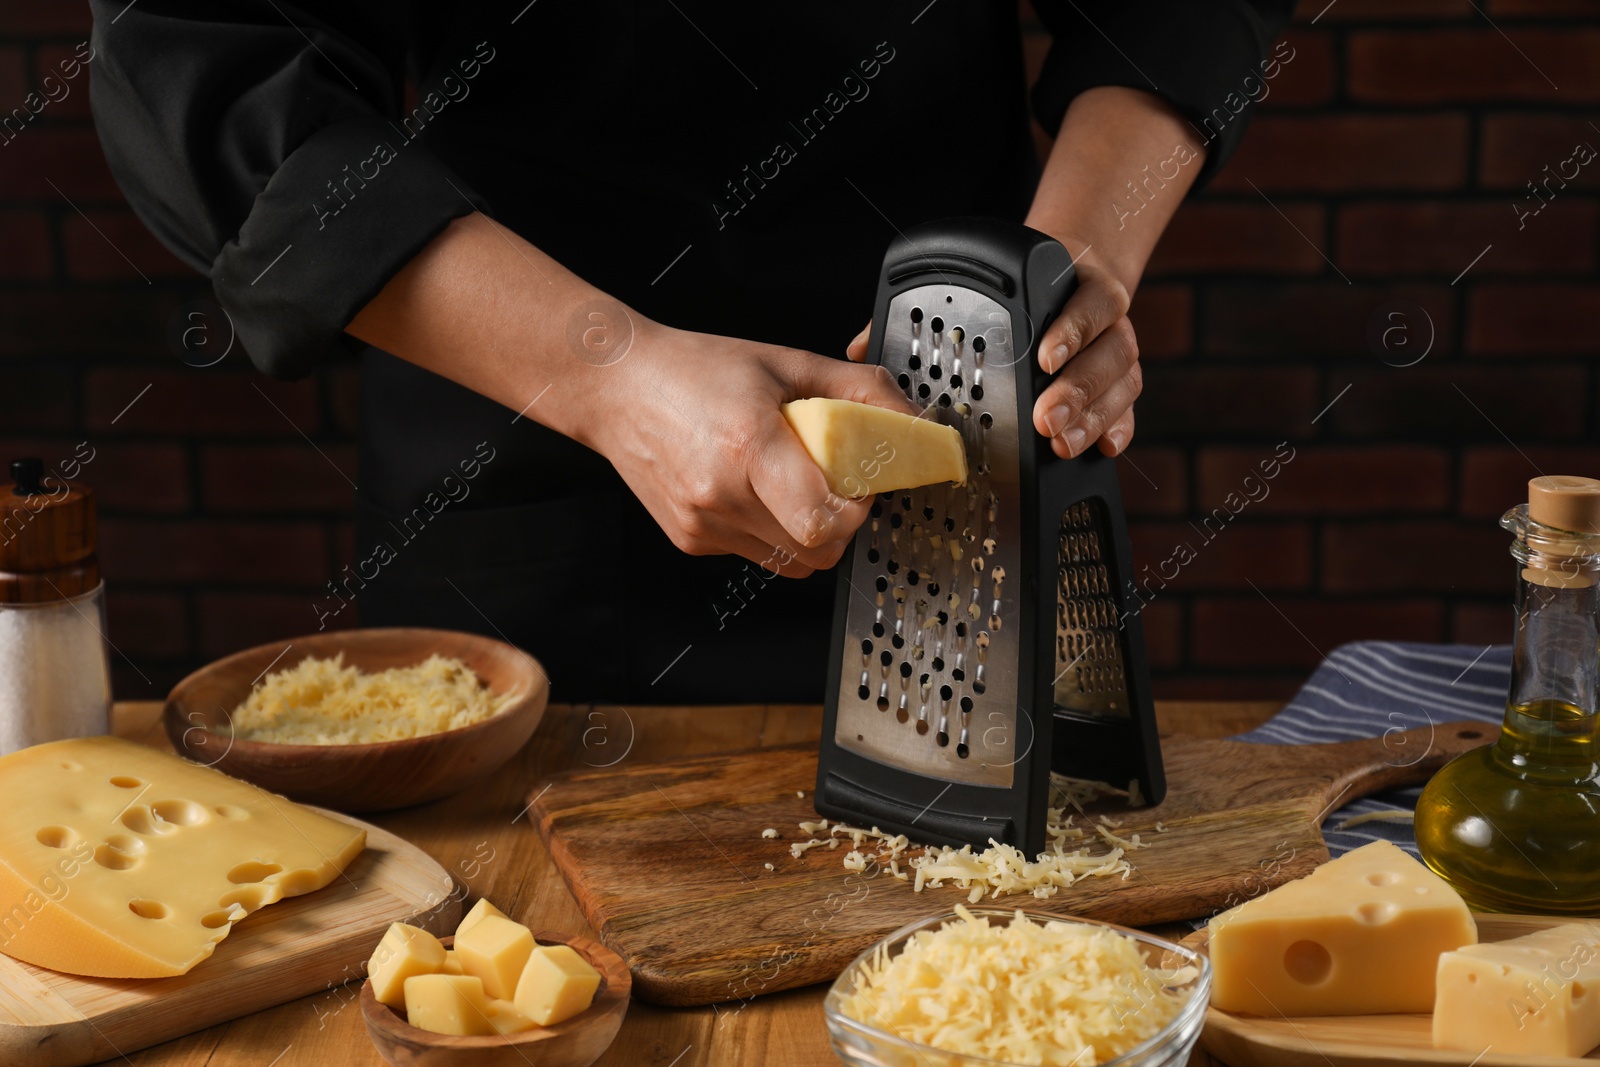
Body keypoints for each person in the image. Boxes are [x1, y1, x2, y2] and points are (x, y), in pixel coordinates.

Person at [89, 2, 1293, 703]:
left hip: (964, 425)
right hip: (525, 456)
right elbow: (208, 58)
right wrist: (608, 374)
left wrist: (1073, 262)